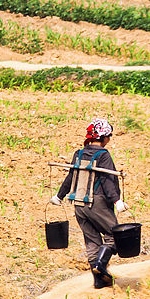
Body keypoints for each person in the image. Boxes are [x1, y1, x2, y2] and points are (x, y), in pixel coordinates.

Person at [50, 119, 129, 289]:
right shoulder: (103, 155)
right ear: (103, 137)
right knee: (114, 235)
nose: (109, 139)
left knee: (92, 241)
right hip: (97, 203)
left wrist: (59, 196)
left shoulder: (79, 154)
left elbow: (71, 177)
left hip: (79, 205)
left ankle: (99, 280)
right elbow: (108, 181)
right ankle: (101, 265)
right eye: (109, 136)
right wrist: (117, 201)